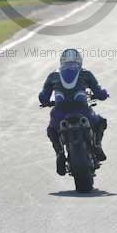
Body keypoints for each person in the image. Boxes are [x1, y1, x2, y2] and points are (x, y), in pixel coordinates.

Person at [39, 48, 109, 176]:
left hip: (60, 112)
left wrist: (46, 102)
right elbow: (100, 93)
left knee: (52, 130)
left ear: (62, 61)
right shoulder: (85, 73)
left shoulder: (53, 75)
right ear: (79, 61)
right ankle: (97, 145)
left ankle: (59, 153)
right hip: (82, 110)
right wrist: (104, 94)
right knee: (101, 122)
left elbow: (43, 97)